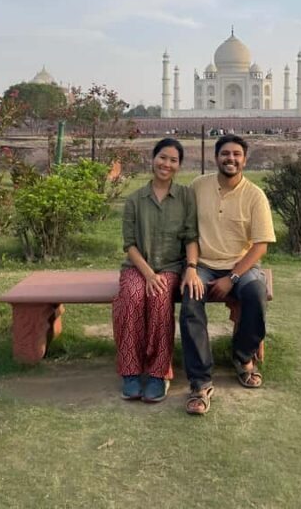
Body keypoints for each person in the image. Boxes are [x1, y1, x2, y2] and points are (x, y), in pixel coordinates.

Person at [180, 134, 276, 415]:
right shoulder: (199, 186)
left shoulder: (255, 195)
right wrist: (192, 268)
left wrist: (232, 277)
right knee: (190, 299)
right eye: (225, 154)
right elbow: (190, 232)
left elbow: (260, 246)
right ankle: (200, 379)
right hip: (204, 263)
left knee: (256, 292)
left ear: (245, 160)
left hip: (241, 265)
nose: (230, 159)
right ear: (216, 157)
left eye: (236, 154)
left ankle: (243, 358)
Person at [112, 138, 202, 402]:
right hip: (138, 267)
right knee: (131, 296)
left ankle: (158, 373)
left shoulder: (185, 196)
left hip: (171, 267)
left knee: (160, 299)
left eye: (173, 160)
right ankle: (130, 370)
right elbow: (129, 244)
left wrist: (192, 268)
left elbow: (191, 237)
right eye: (163, 157)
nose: (167, 164)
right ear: (153, 159)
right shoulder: (135, 200)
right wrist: (148, 274)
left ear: (179, 165)